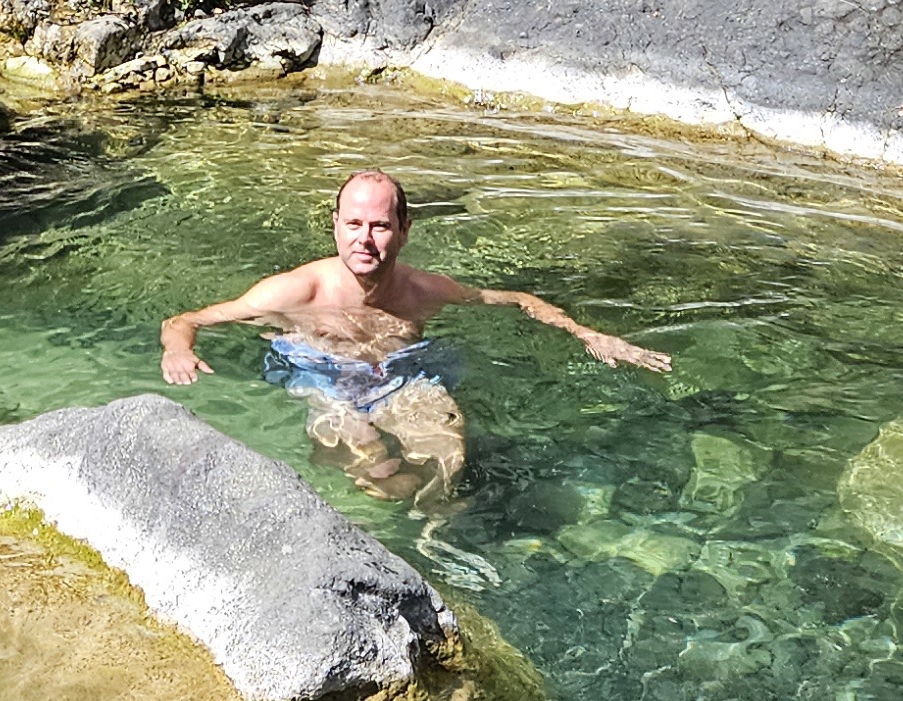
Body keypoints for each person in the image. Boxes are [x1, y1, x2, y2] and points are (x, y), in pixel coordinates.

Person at [160, 169, 668, 504]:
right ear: (335, 225)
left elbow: (513, 299)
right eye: (353, 223)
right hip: (322, 377)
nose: (364, 239)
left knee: (450, 459)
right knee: (374, 464)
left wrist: (588, 334)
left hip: (401, 376)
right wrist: (178, 348)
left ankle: (438, 538)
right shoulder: (294, 291)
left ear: (404, 229)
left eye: (379, 225)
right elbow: (187, 319)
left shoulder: (424, 291)